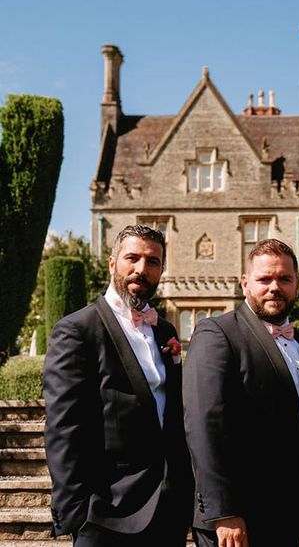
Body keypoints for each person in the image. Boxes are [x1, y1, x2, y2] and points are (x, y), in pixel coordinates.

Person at [44, 224, 193, 546]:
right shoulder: (77, 330)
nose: (142, 269)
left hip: (168, 510)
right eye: (132, 258)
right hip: (106, 512)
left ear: (162, 270)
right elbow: (64, 427)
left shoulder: (164, 329)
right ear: (112, 263)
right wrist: (75, 513)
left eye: (153, 262)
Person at [183, 238, 299, 547]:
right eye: (264, 279)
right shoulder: (217, 333)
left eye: (284, 279)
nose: (274, 287)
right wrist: (223, 511)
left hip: (288, 513)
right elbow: (205, 426)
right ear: (246, 283)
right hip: (237, 519)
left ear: (297, 285)